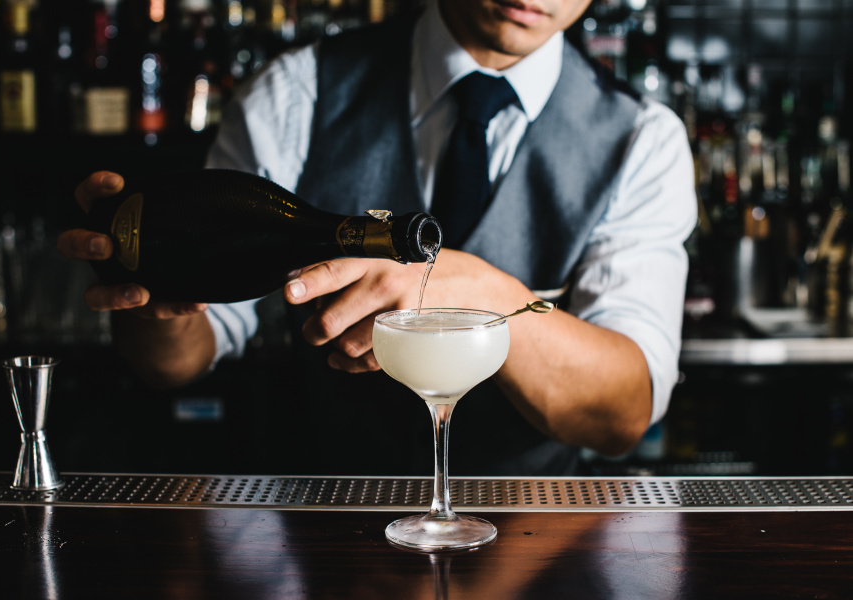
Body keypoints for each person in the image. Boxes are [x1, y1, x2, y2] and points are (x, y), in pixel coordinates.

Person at [57, 0, 697, 476]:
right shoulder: (297, 92)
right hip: (324, 529)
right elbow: (173, 362)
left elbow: (625, 412)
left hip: (529, 543)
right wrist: (156, 298)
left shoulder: (642, 140)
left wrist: (484, 294)